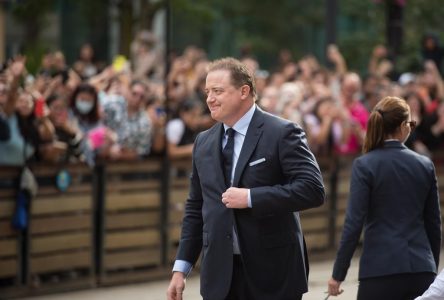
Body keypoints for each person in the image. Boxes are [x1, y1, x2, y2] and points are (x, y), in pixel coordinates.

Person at [167, 57, 325, 300]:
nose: (209, 98)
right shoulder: (203, 142)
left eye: (218, 91)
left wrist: (251, 198)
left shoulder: (282, 132)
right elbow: (196, 207)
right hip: (220, 277)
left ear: (244, 91)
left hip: (274, 274)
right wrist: (181, 268)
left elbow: (312, 189)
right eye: (208, 91)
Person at [327, 96, 441, 300]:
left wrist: (338, 274)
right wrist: (431, 266)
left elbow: (353, 223)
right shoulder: (424, 165)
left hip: (380, 270)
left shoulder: (365, 165)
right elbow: (434, 223)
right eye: (411, 124)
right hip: (421, 269)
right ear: (402, 126)